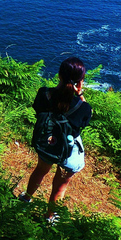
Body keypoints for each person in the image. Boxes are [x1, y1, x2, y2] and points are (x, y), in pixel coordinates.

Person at [19, 57, 92, 223]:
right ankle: (49, 217)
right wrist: (79, 95)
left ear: (59, 75)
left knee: (40, 170)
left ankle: (26, 199)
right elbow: (84, 122)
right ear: (80, 81)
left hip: (48, 143)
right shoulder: (83, 107)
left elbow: (38, 111)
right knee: (60, 185)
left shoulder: (43, 94)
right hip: (69, 150)